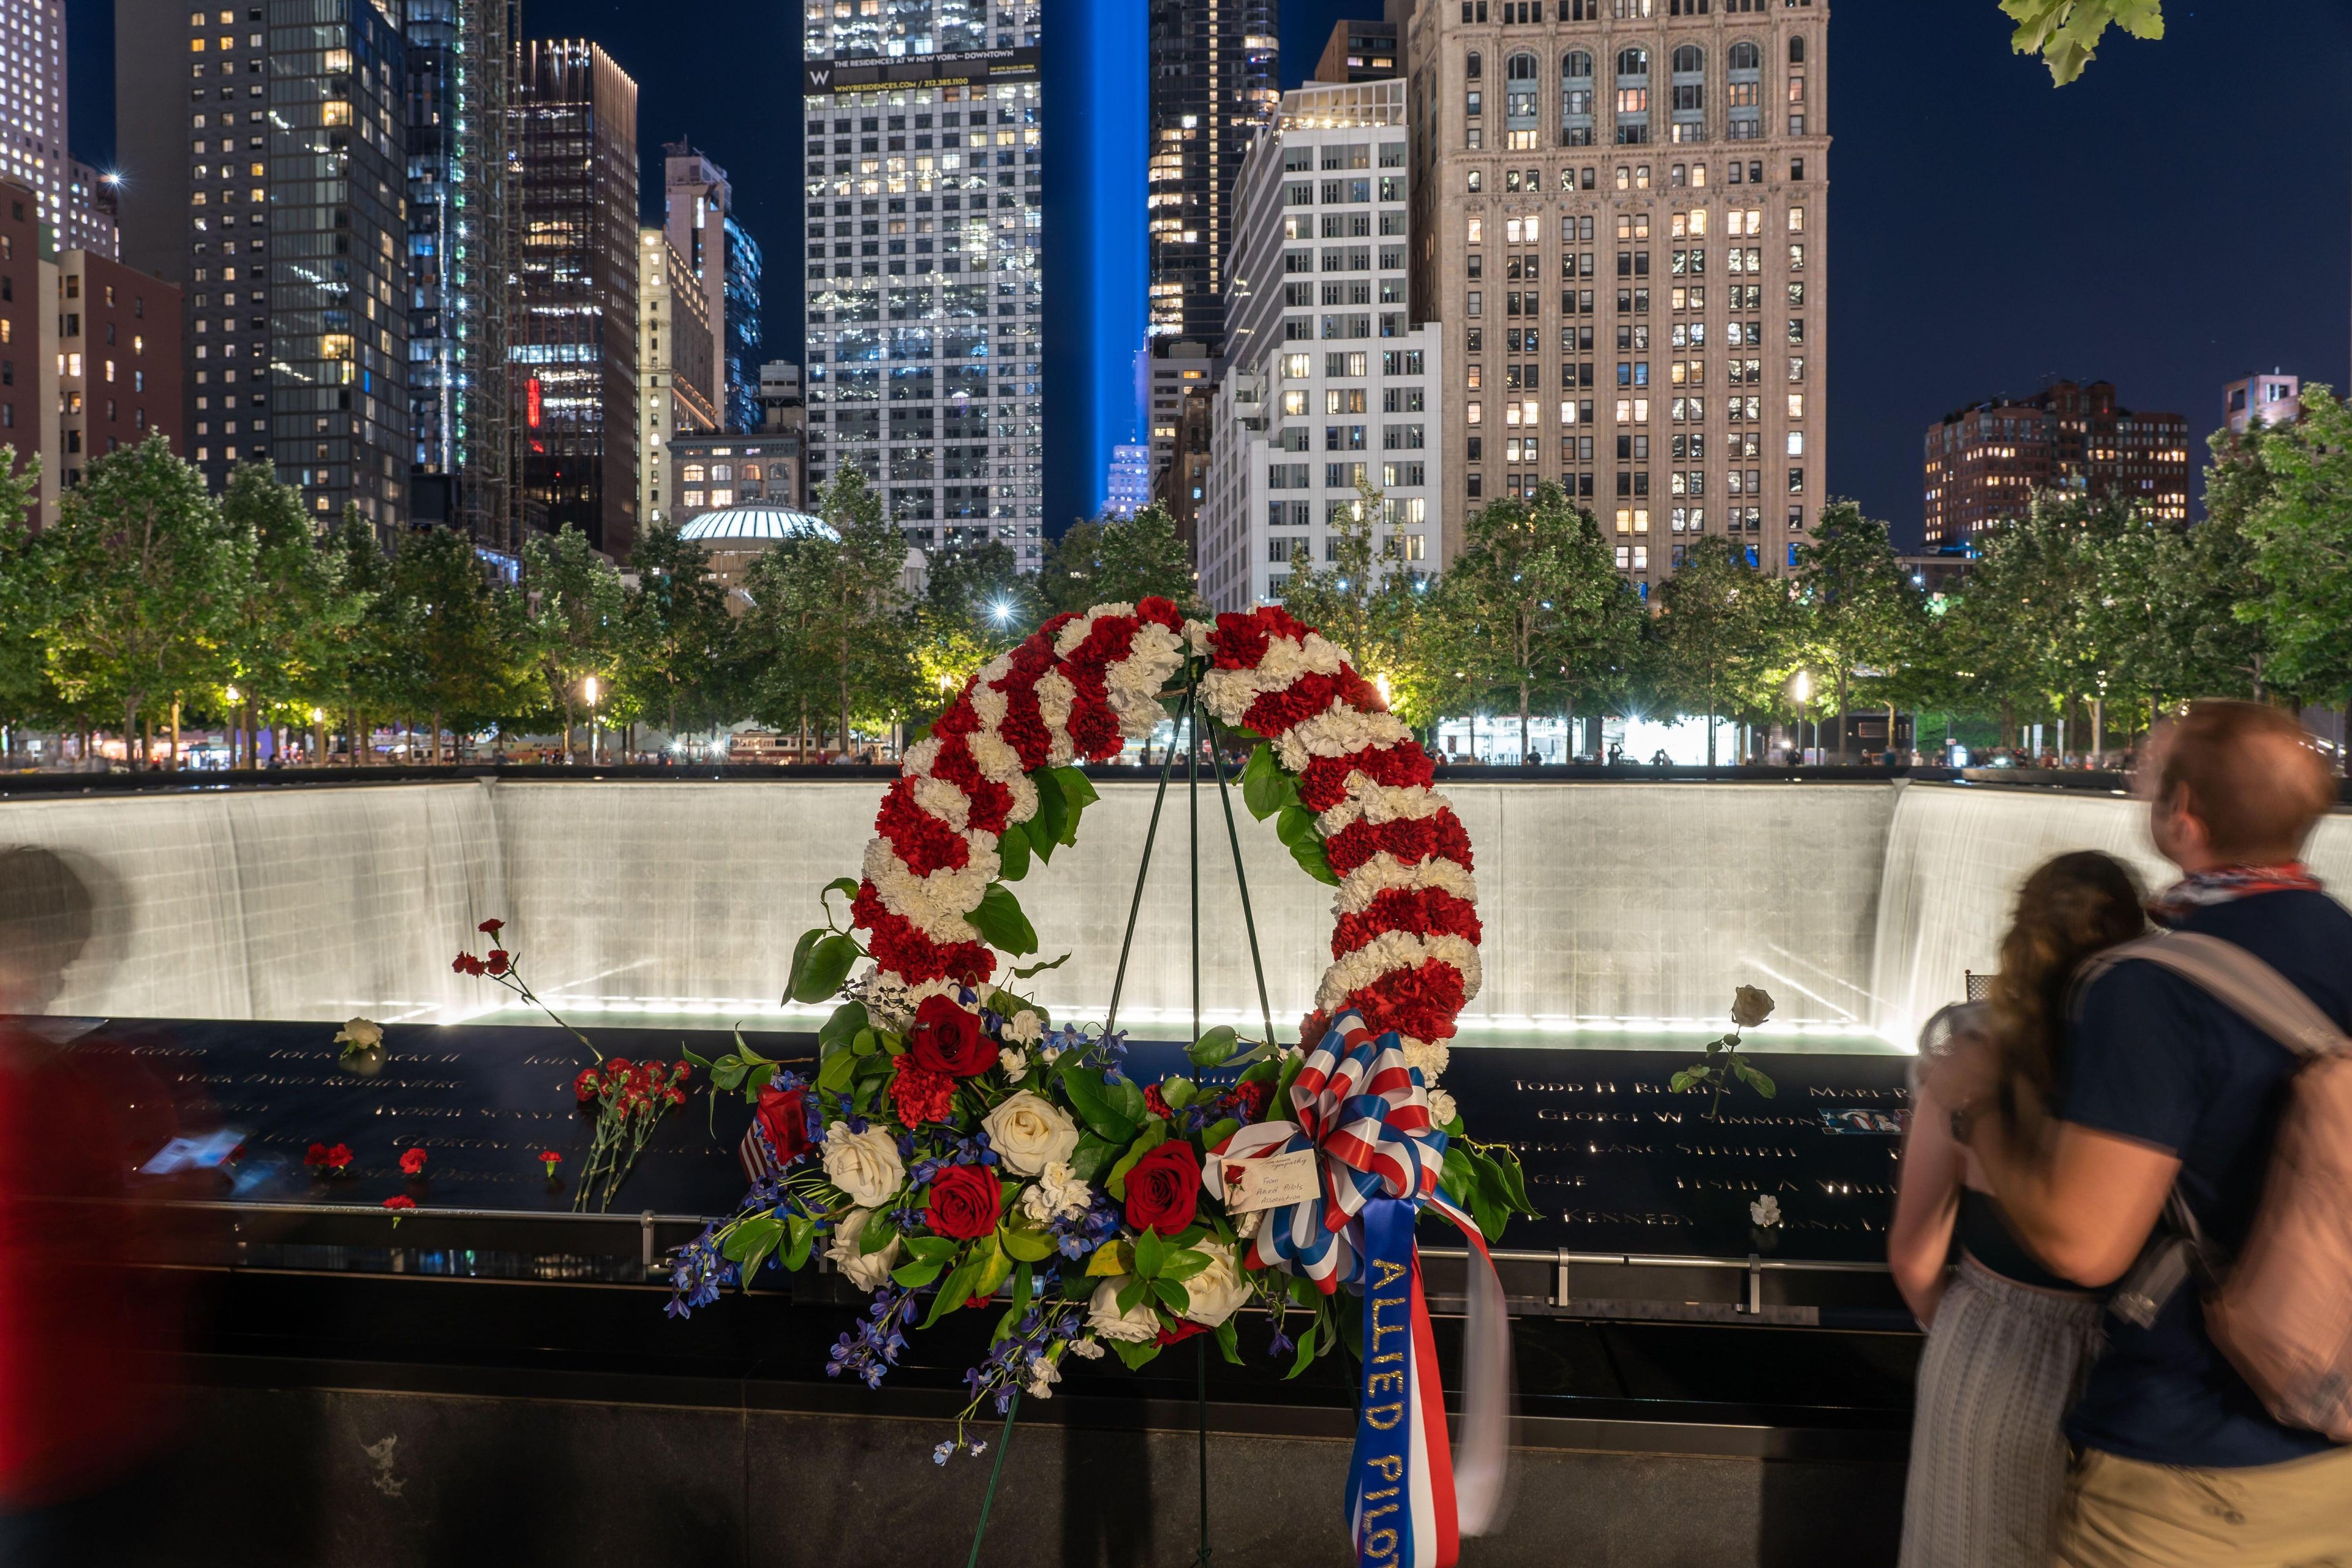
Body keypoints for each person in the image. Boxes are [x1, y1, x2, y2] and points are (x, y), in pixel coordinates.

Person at [1931, 700, 2352, 1566]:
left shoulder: (2149, 987)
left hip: (2193, 1470)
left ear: (2184, 814)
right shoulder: (2340, 945)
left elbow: (2085, 1244)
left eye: (2148, 772)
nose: (2132, 780)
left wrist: (1979, 1108)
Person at [1891, 851, 2146, 1568]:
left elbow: (1913, 1256)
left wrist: (1972, 1327)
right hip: (2134, 1355)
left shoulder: (1970, 1060)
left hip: (1992, 1353)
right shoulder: (2148, 1067)